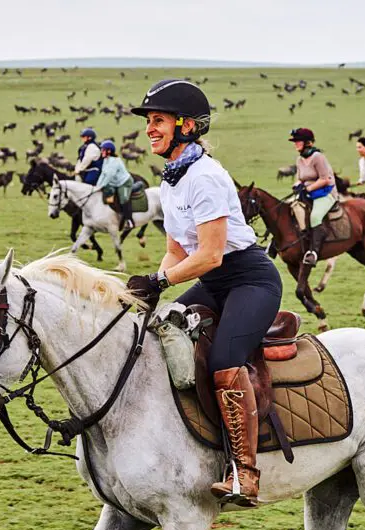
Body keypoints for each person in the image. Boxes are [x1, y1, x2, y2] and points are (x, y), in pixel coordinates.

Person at [126, 79, 282, 508]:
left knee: (223, 359)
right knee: (156, 334)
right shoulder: (173, 179)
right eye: (150, 122)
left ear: (186, 126)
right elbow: (175, 249)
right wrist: (152, 293)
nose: (150, 130)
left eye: (158, 121)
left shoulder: (206, 177)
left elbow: (211, 255)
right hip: (211, 281)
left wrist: (162, 282)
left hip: (249, 279)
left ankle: (244, 472)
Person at [289, 128, 336, 267]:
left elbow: (325, 179)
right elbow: (299, 178)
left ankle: (313, 252)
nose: (295, 144)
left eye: (298, 141)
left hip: (325, 193)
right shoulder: (299, 159)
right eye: (295, 141)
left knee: (315, 217)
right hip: (307, 193)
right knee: (287, 208)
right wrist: (297, 186)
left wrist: (307, 188)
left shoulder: (318, 157)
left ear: (307, 143)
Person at [95, 140, 134, 232]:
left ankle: (129, 221)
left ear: (109, 151)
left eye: (103, 150)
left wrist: (101, 186)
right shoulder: (106, 160)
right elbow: (103, 174)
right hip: (115, 183)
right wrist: (97, 186)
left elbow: (109, 176)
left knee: (123, 199)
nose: (101, 152)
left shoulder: (114, 162)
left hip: (124, 183)